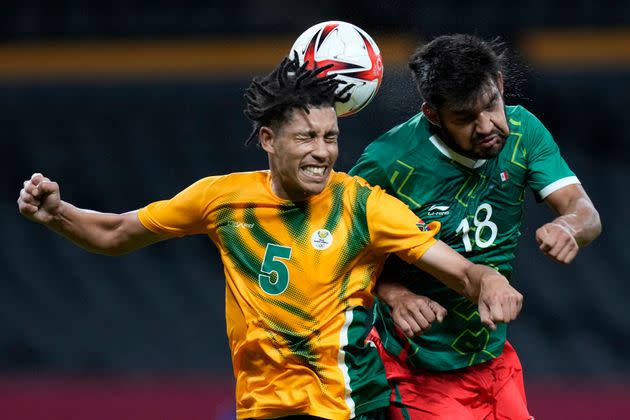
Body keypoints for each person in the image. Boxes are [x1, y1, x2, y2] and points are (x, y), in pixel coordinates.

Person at [17, 54, 523, 420]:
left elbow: (459, 268)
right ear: (268, 140)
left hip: (348, 406)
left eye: (330, 138)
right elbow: (116, 232)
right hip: (262, 408)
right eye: (306, 137)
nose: (322, 152)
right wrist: (59, 214)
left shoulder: (363, 205)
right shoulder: (223, 200)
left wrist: (488, 282)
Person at [349, 34, 602, 419]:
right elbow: (337, 248)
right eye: (466, 118)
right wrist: (395, 294)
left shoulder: (524, 132)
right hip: (418, 372)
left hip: (495, 362)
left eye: (491, 105)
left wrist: (569, 226)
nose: (486, 126)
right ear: (433, 114)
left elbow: (585, 212)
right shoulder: (388, 161)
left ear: (499, 84)